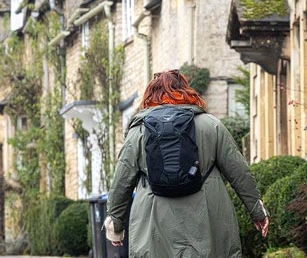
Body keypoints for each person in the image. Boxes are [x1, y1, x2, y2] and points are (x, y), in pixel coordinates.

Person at [104, 69, 269, 258]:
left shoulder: (138, 131)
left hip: (154, 225)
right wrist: (257, 211)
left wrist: (115, 224)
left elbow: (122, 180)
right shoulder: (211, 125)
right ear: (186, 91)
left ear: (150, 96)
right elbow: (239, 172)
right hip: (206, 220)